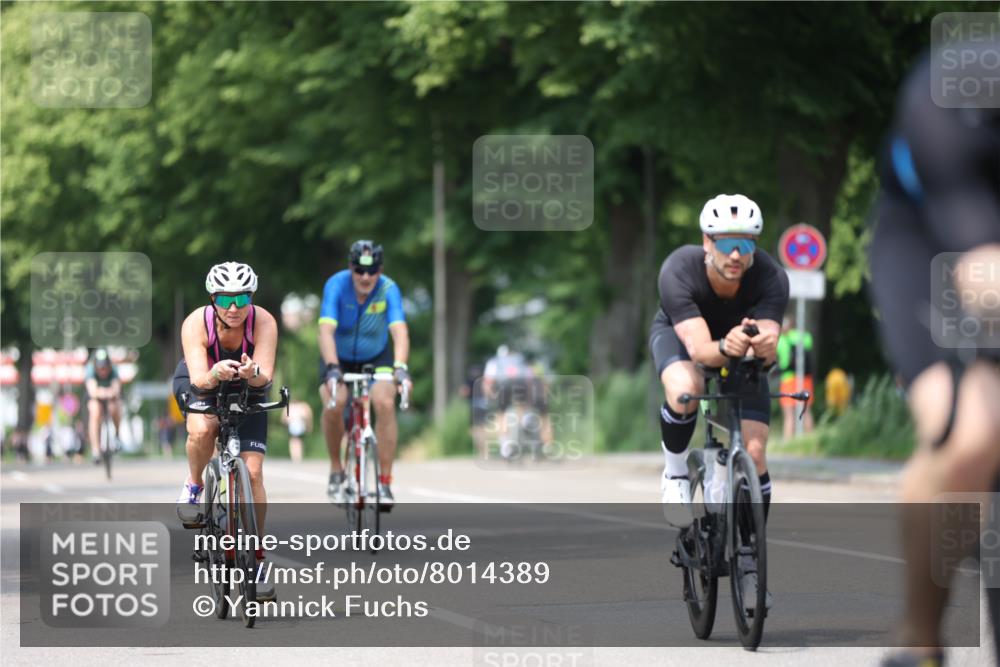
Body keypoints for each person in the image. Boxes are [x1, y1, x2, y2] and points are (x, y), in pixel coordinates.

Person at [869, 47, 1000, 667]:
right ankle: (918, 639)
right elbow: (984, 274)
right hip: (936, 243)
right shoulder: (955, 93)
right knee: (970, 433)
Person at [650, 193, 789, 613]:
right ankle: (675, 474)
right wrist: (726, 347)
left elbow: (767, 345)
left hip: (738, 351)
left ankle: (751, 557)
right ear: (706, 242)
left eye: (746, 244)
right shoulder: (679, 268)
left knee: (756, 451)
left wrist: (764, 346)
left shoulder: (770, 276)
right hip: (685, 338)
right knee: (683, 387)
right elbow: (698, 350)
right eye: (726, 242)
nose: (735, 253)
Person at [172, 261, 278, 601]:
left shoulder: (264, 322)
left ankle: (258, 560)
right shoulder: (195, 324)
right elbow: (201, 379)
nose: (234, 308)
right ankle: (194, 483)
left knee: (255, 472)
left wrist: (251, 371)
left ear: (251, 298)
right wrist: (216, 373)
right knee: (202, 429)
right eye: (225, 300)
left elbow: (266, 378)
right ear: (213, 299)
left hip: (248, 387)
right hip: (203, 380)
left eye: (241, 300)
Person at [319, 240, 411, 508]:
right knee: (334, 402)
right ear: (351, 268)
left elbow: (399, 330)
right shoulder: (336, 285)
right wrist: (332, 367)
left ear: (380, 270)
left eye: (372, 271)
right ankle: (337, 470)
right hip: (338, 357)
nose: (366, 277)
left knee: (384, 401)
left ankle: (384, 482)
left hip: (376, 357)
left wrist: (401, 367)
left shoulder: (388, 289)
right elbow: (325, 330)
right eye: (360, 270)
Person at [777, 314, 815, 439]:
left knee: (789, 414)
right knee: (806, 410)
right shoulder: (804, 336)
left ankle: (787, 443)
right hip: (805, 378)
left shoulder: (781, 339)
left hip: (788, 378)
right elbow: (809, 344)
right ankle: (809, 440)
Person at [84, 349, 122, 465]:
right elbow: (92, 390)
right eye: (100, 368)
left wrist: (111, 393)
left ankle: (116, 435)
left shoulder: (114, 370)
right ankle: (95, 450)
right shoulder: (90, 370)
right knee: (95, 411)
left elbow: (116, 388)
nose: (103, 370)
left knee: (115, 407)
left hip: (110, 396)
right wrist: (101, 392)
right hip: (96, 397)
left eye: (105, 367)